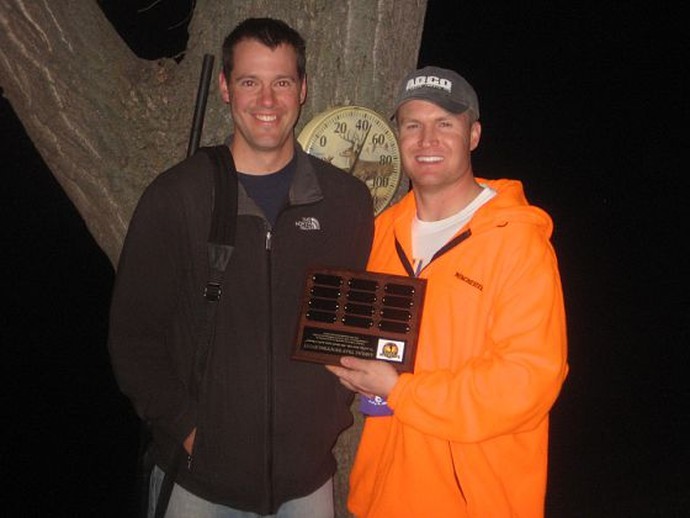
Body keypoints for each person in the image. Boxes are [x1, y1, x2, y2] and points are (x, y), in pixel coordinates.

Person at [108, 18, 374, 518]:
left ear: (303, 89)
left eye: (282, 82)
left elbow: (350, 327)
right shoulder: (179, 197)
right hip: (200, 483)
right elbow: (133, 335)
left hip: (308, 483)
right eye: (250, 81)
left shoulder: (346, 202)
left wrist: (327, 418)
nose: (267, 100)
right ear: (227, 89)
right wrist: (188, 428)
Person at [326, 66, 568, 517]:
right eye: (413, 125)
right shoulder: (380, 234)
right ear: (398, 137)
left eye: (445, 124)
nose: (427, 140)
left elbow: (527, 381)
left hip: (476, 503)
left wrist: (401, 391)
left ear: (473, 135)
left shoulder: (515, 241)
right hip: (381, 497)